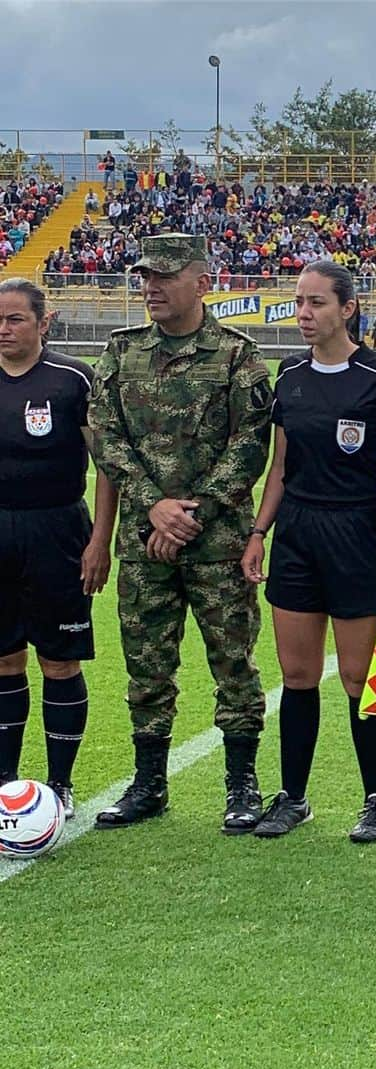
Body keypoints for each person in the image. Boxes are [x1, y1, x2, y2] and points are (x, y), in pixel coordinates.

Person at [88, 233, 273, 833]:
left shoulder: (238, 355)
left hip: (217, 546)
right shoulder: (121, 353)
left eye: (165, 276)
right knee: (146, 666)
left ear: (203, 282)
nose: (151, 288)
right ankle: (148, 785)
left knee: (234, 665)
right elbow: (104, 437)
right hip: (146, 546)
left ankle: (241, 785)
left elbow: (252, 443)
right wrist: (154, 507)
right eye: (145, 276)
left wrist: (189, 513)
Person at [241, 261, 376, 840]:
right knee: (297, 674)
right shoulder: (287, 376)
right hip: (296, 535)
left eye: (316, 303)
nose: (304, 314)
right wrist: (259, 532)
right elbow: (280, 467)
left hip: (358, 534)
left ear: (347, 308)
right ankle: (293, 797)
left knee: (362, 678)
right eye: (299, 303)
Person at [0, 279, 117, 817]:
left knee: (60, 660)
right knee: (3, 660)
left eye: (16, 319)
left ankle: (61, 784)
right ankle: (5, 781)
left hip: (59, 532)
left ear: (44, 324)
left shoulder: (73, 380)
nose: (4, 329)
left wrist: (99, 541)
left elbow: (107, 467)